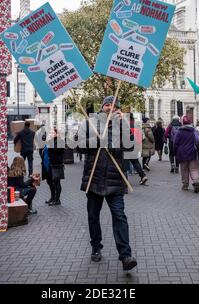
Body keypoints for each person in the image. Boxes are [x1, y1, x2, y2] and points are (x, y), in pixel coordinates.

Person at [79, 95, 137, 271]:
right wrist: (99, 141)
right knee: (93, 216)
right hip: (94, 178)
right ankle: (96, 246)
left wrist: (124, 125)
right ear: (102, 106)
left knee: (119, 216)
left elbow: (130, 147)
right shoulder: (90, 123)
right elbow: (79, 145)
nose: (109, 107)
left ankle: (126, 255)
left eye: (113, 105)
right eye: (107, 104)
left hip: (115, 179)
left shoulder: (122, 125)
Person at [173, 116, 199, 193]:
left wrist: (175, 152)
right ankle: (196, 182)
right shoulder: (194, 131)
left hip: (182, 154)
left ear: (182, 123)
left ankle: (185, 185)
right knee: (193, 169)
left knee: (184, 170)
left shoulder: (179, 132)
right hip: (193, 153)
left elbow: (175, 143)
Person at [40, 127, 65, 206]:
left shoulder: (60, 141)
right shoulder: (49, 142)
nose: (50, 134)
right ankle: (52, 197)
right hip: (47, 165)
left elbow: (56, 151)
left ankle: (57, 200)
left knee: (56, 183)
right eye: (50, 133)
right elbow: (43, 151)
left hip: (55, 164)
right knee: (49, 182)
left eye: (52, 133)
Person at [124, 113, 148, 185]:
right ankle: (143, 176)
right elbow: (141, 137)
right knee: (135, 162)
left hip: (126, 146)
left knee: (124, 163)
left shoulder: (124, 124)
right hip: (135, 146)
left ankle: (125, 181)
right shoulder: (136, 124)